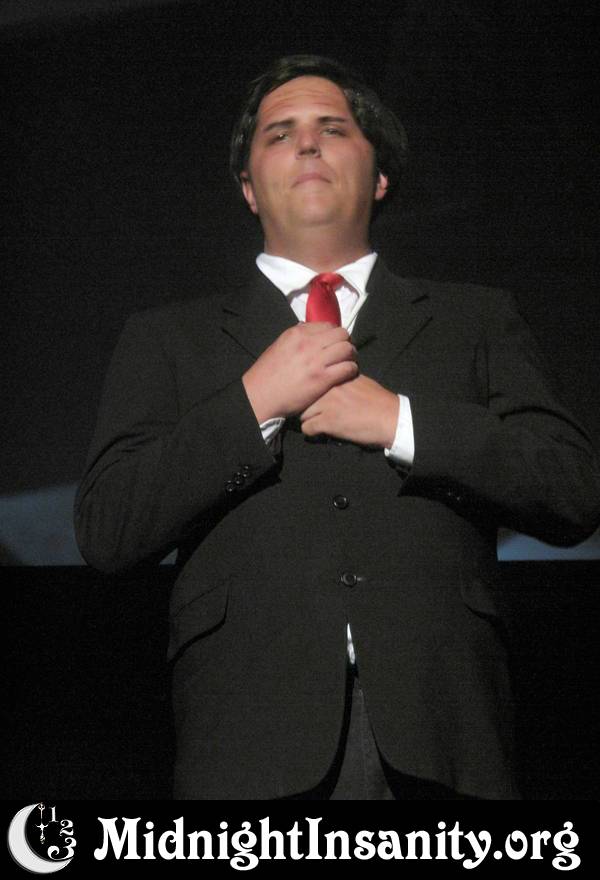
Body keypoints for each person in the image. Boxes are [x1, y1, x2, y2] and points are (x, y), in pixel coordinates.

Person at [74, 55, 600, 800]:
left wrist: (400, 421)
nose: (307, 144)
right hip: (248, 744)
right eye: (279, 134)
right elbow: (109, 528)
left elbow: (573, 490)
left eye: (333, 128)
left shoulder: (477, 318)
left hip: (447, 730)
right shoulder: (166, 339)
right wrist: (254, 402)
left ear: (379, 175)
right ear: (249, 187)